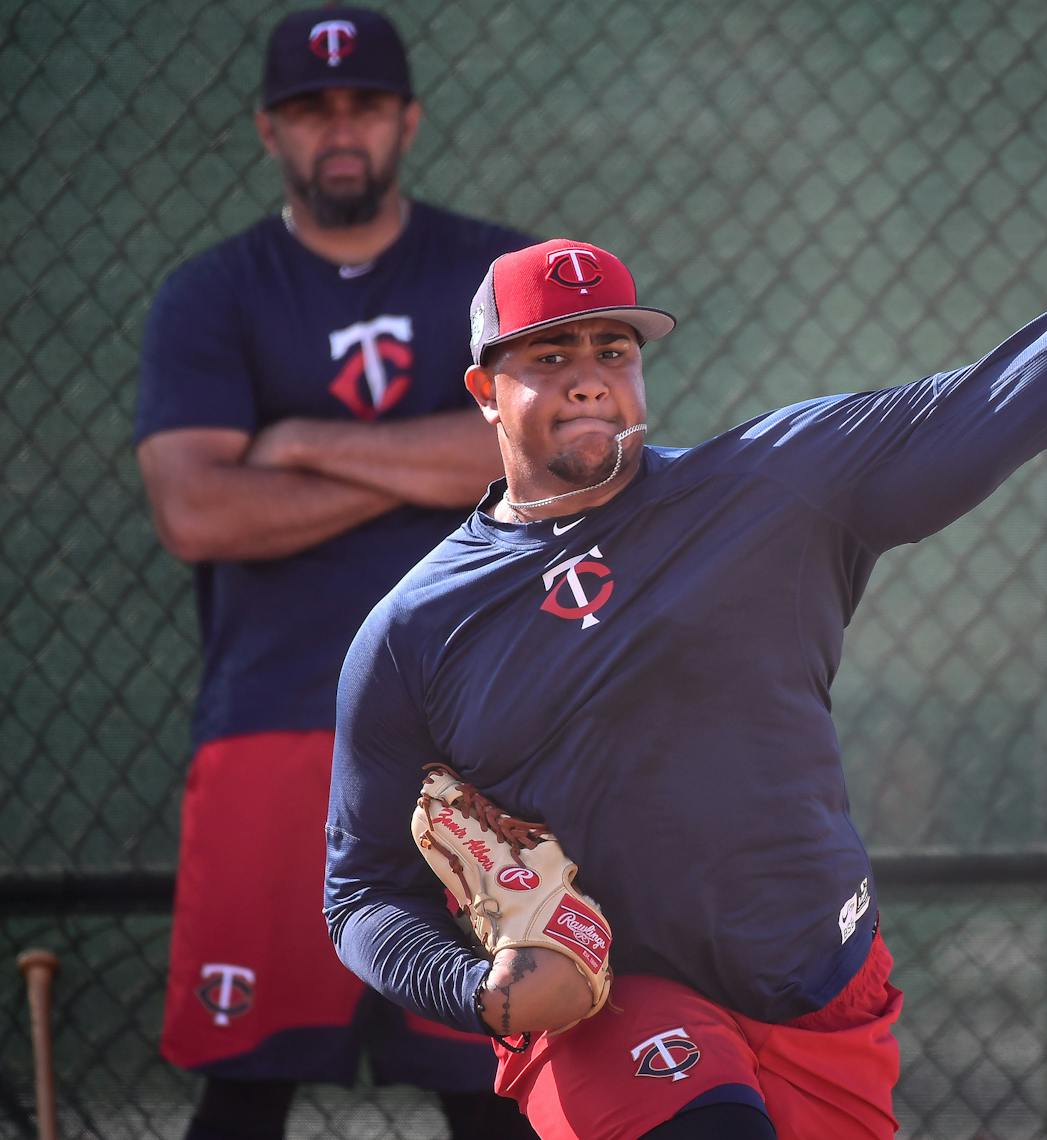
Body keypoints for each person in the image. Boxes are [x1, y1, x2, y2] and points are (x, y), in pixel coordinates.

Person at [323, 71, 1047, 1140]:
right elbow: (361, 891)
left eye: (613, 349)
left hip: (821, 986)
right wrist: (480, 996)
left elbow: (1019, 388)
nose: (590, 375)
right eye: (548, 356)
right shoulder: (417, 631)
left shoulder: (772, 491)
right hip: (615, 1007)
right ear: (482, 391)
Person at [133, 7, 539, 1138]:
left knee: (496, 1081)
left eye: (362, 104)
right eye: (313, 111)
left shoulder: (487, 275)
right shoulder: (211, 295)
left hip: (478, 726)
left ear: (405, 118)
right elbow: (197, 509)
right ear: (271, 131)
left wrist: (301, 440)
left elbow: (536, 449)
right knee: (246, 1087)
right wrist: (435, 461)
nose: (340, 129)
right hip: (275, 718)